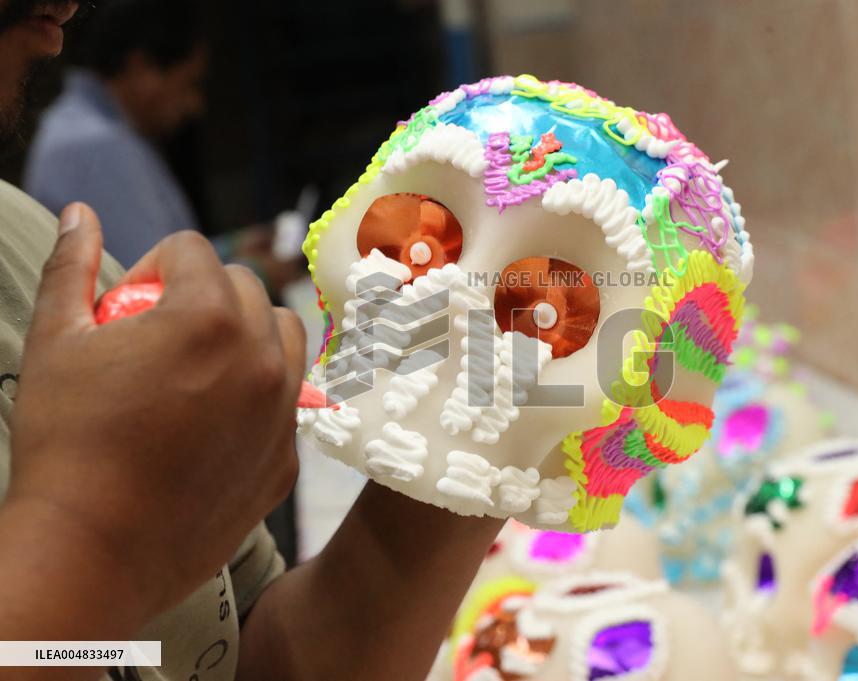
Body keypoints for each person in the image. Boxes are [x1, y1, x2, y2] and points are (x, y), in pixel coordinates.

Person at [0, 2, 502, 681]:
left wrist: (487, 426)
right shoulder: (80, 169)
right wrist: (89, 537)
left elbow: (238, 652)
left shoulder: (21, 240)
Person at [23, 0, 301, 295]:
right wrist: (259, 272)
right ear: (142, 67)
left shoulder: (92, 130)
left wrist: (232, 247)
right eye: (189, 84)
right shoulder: (94, 146)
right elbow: (156, 292)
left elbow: (154, 258)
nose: (195, 106)